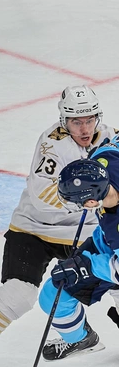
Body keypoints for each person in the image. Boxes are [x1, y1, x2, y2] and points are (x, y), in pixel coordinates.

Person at [0, 85, 118, 366]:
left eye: (89, 120)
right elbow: (41, 195)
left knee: (116, 279)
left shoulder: (110, 137)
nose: (85, 128)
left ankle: (80, 338)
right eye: (76, 122)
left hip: (85, 230)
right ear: (64, 120)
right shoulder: (52, 144)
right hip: (35, 228)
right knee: (18, 295)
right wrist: (86, 200)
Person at [36, 149, 119, 360]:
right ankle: (80, 339)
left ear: (91, 202)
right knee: (53, 295)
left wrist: (86, 266)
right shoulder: (106, 158)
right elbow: (111, 144)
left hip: (112, 263)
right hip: (106, 246)